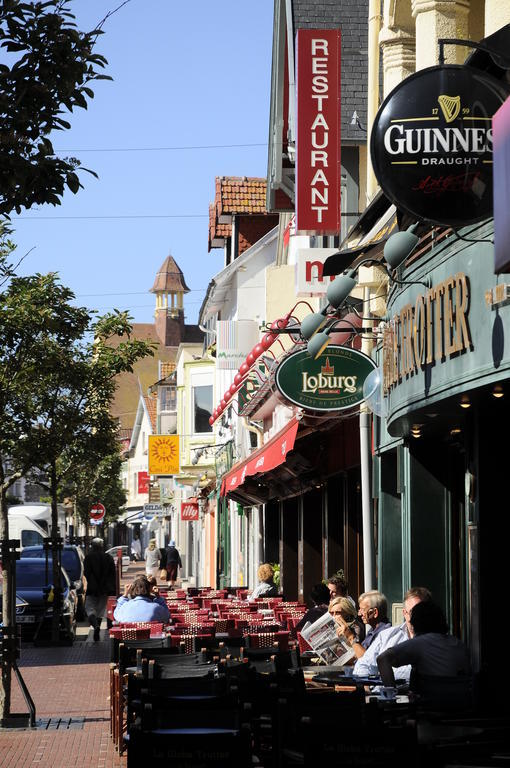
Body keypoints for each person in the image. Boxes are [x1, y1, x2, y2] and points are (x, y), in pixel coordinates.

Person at [377, 601, 471, 705]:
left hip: (428, 709)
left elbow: (382, 659)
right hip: (459, 708)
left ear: (416, 622)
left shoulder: (420, 643)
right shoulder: (458, 644)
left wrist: (392, 693)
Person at [351, 586, 432, 679]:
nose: (360, 614)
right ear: (404, 613)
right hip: (384, 692)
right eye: (413, 612)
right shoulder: (386, 636)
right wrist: (369, 688)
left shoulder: (439, 642)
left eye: (422, 612)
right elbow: (363, 665)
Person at [336, 590, 391, 658]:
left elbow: (367, 660)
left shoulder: (384, 634)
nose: (359, 614)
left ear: (374, 612)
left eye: (362, 609)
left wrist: (351, 637)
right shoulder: (373, 630)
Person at [83, 538, 117, 641]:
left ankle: (95, 626)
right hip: (105, 589)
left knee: (89, 609)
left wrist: (91, 582)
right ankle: (97, 625)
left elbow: (86, 573)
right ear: (102, 546)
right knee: (101, 610)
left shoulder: (88, 557)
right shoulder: (108, 557)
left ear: (92, 546)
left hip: (92, 588)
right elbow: (112, 574)